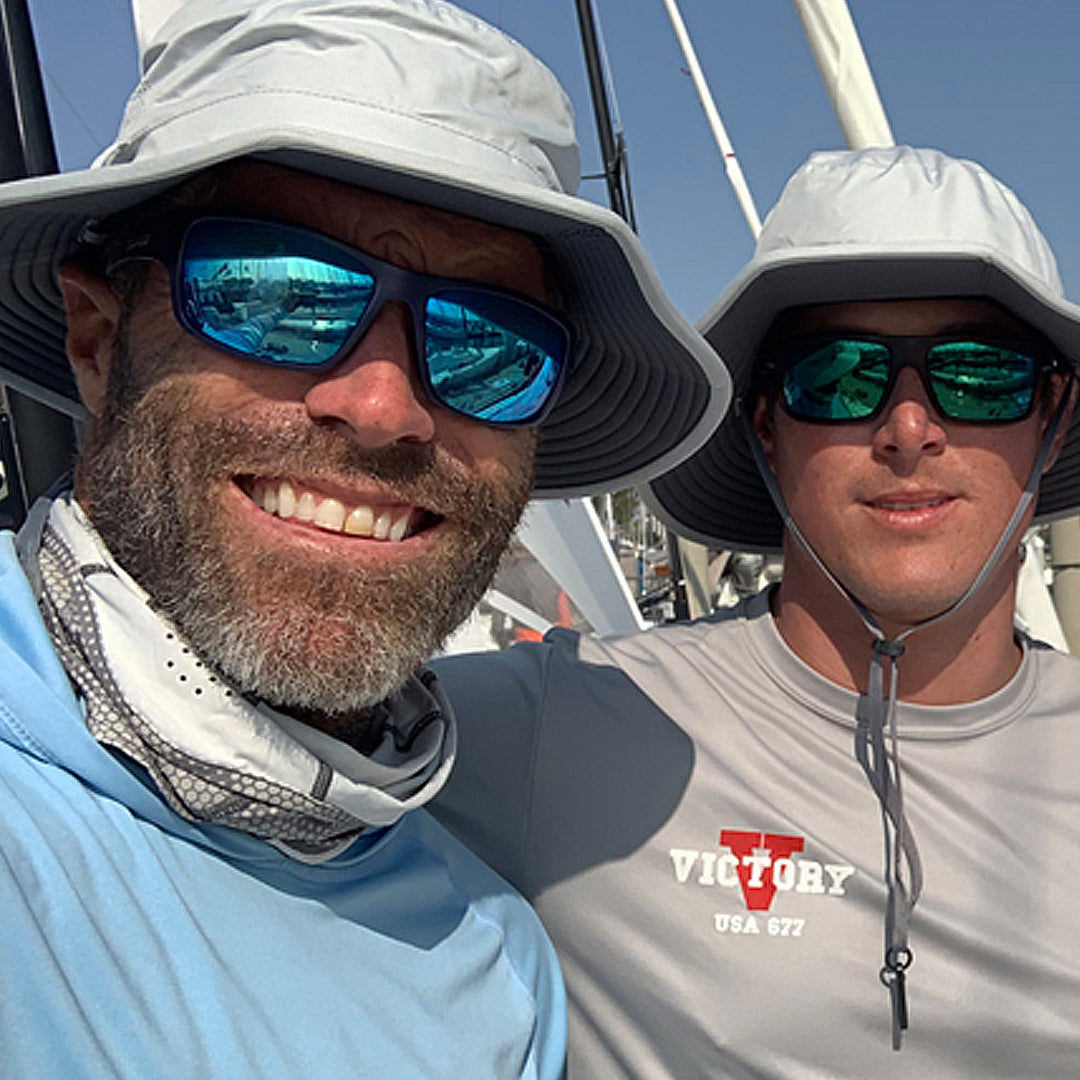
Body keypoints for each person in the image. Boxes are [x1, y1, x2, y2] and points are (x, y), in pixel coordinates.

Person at [0, 1, 730, 1077]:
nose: (385, 405)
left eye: (487, 343)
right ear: (99, 341)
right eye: (278, 292)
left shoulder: (498, 962)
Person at [433, 146, 1080, 1078]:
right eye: (841, 376)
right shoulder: (559, 725)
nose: (908, 427)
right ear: (766, 428)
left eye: (981, 375)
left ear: (1051, 420)